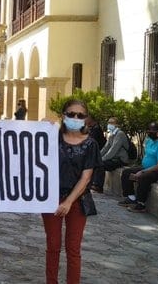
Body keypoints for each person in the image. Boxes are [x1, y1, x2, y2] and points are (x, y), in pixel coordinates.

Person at [42, 99, 98, 284]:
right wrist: (42, 127)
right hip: (51, 198)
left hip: (78, 201)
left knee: (73, 248)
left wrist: (68, 202)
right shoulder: (52, 137)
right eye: (71, 114)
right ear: (63, 115)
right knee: (53, 245)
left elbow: (86, 177)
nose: (75, 117)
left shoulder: (90, 144)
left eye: (80, 115)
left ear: (86, 119)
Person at [118, 122, 158, 213]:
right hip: (148, 167)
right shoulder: (149, 140)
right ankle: (131, 198)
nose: (150, 133)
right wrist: (142, 168)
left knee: (144, 177)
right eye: (149, 131)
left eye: (153, 131)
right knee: (126, 173)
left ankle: (141, 204)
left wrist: (143, 171)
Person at [90, 117, 129, 193]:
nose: (109, 125)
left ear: (117, 125)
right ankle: (94, 183)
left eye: (112, 123)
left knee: (101, 164)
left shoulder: (120, 134)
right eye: (109, 122)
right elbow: (106, 148)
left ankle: (98, 186)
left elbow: (113, 150)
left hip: (121, 160)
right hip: (113, 158)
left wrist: (101, 159)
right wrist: (98, 157)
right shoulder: (111, 135)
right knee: (97, 162)